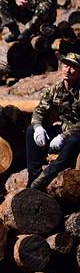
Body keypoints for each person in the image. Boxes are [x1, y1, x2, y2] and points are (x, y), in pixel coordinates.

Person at [27, 53, 80, 191]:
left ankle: (45, 178)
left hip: (76, 133)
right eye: (66, 65)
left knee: (74, 140)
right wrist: (38, 127)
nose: (67, 70)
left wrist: (64, 136)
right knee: (30, 131)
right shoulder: (55, 89)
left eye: (73, 67)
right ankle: (34, 175)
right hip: (62, 129)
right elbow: (39, 110)